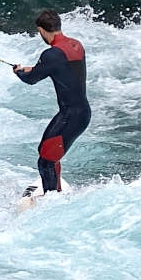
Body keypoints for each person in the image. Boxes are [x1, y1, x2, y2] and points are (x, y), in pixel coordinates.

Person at [13, 10, 90, 194]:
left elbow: (31, 79)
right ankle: (56, 193)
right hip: (80, 113)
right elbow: (61, 68)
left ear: (41, 30)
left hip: (71, 116)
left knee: (45, 161)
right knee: (46, 152)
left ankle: (51, 202)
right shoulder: (76, 45)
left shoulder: (51, 54)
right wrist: (34, 68)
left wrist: (19, 72)